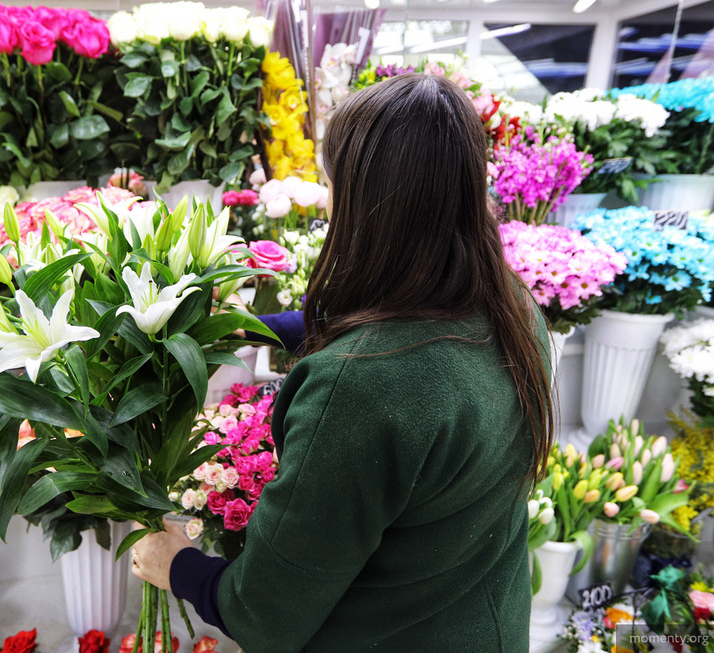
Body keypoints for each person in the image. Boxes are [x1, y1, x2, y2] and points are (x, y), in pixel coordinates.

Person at [130, 72, 553, 652]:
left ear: (368, 201)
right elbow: (392, 317)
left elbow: (265, 614)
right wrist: (251, 328)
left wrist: (178, 565)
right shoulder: (511, 308)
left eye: (332, 181)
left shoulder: (359, 389)